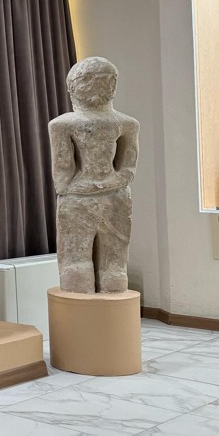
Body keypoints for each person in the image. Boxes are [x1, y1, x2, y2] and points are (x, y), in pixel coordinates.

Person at [49, 57, 139, 294]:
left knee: (113, 273)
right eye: (90, 80)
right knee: (77, 272)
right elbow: (62, 172)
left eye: (103, 80)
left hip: (108, 195)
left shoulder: (127, 124)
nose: (98, 86)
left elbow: (128, 168)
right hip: (85, 196)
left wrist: (102, 184)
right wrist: (77, 188)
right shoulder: (62, 125)